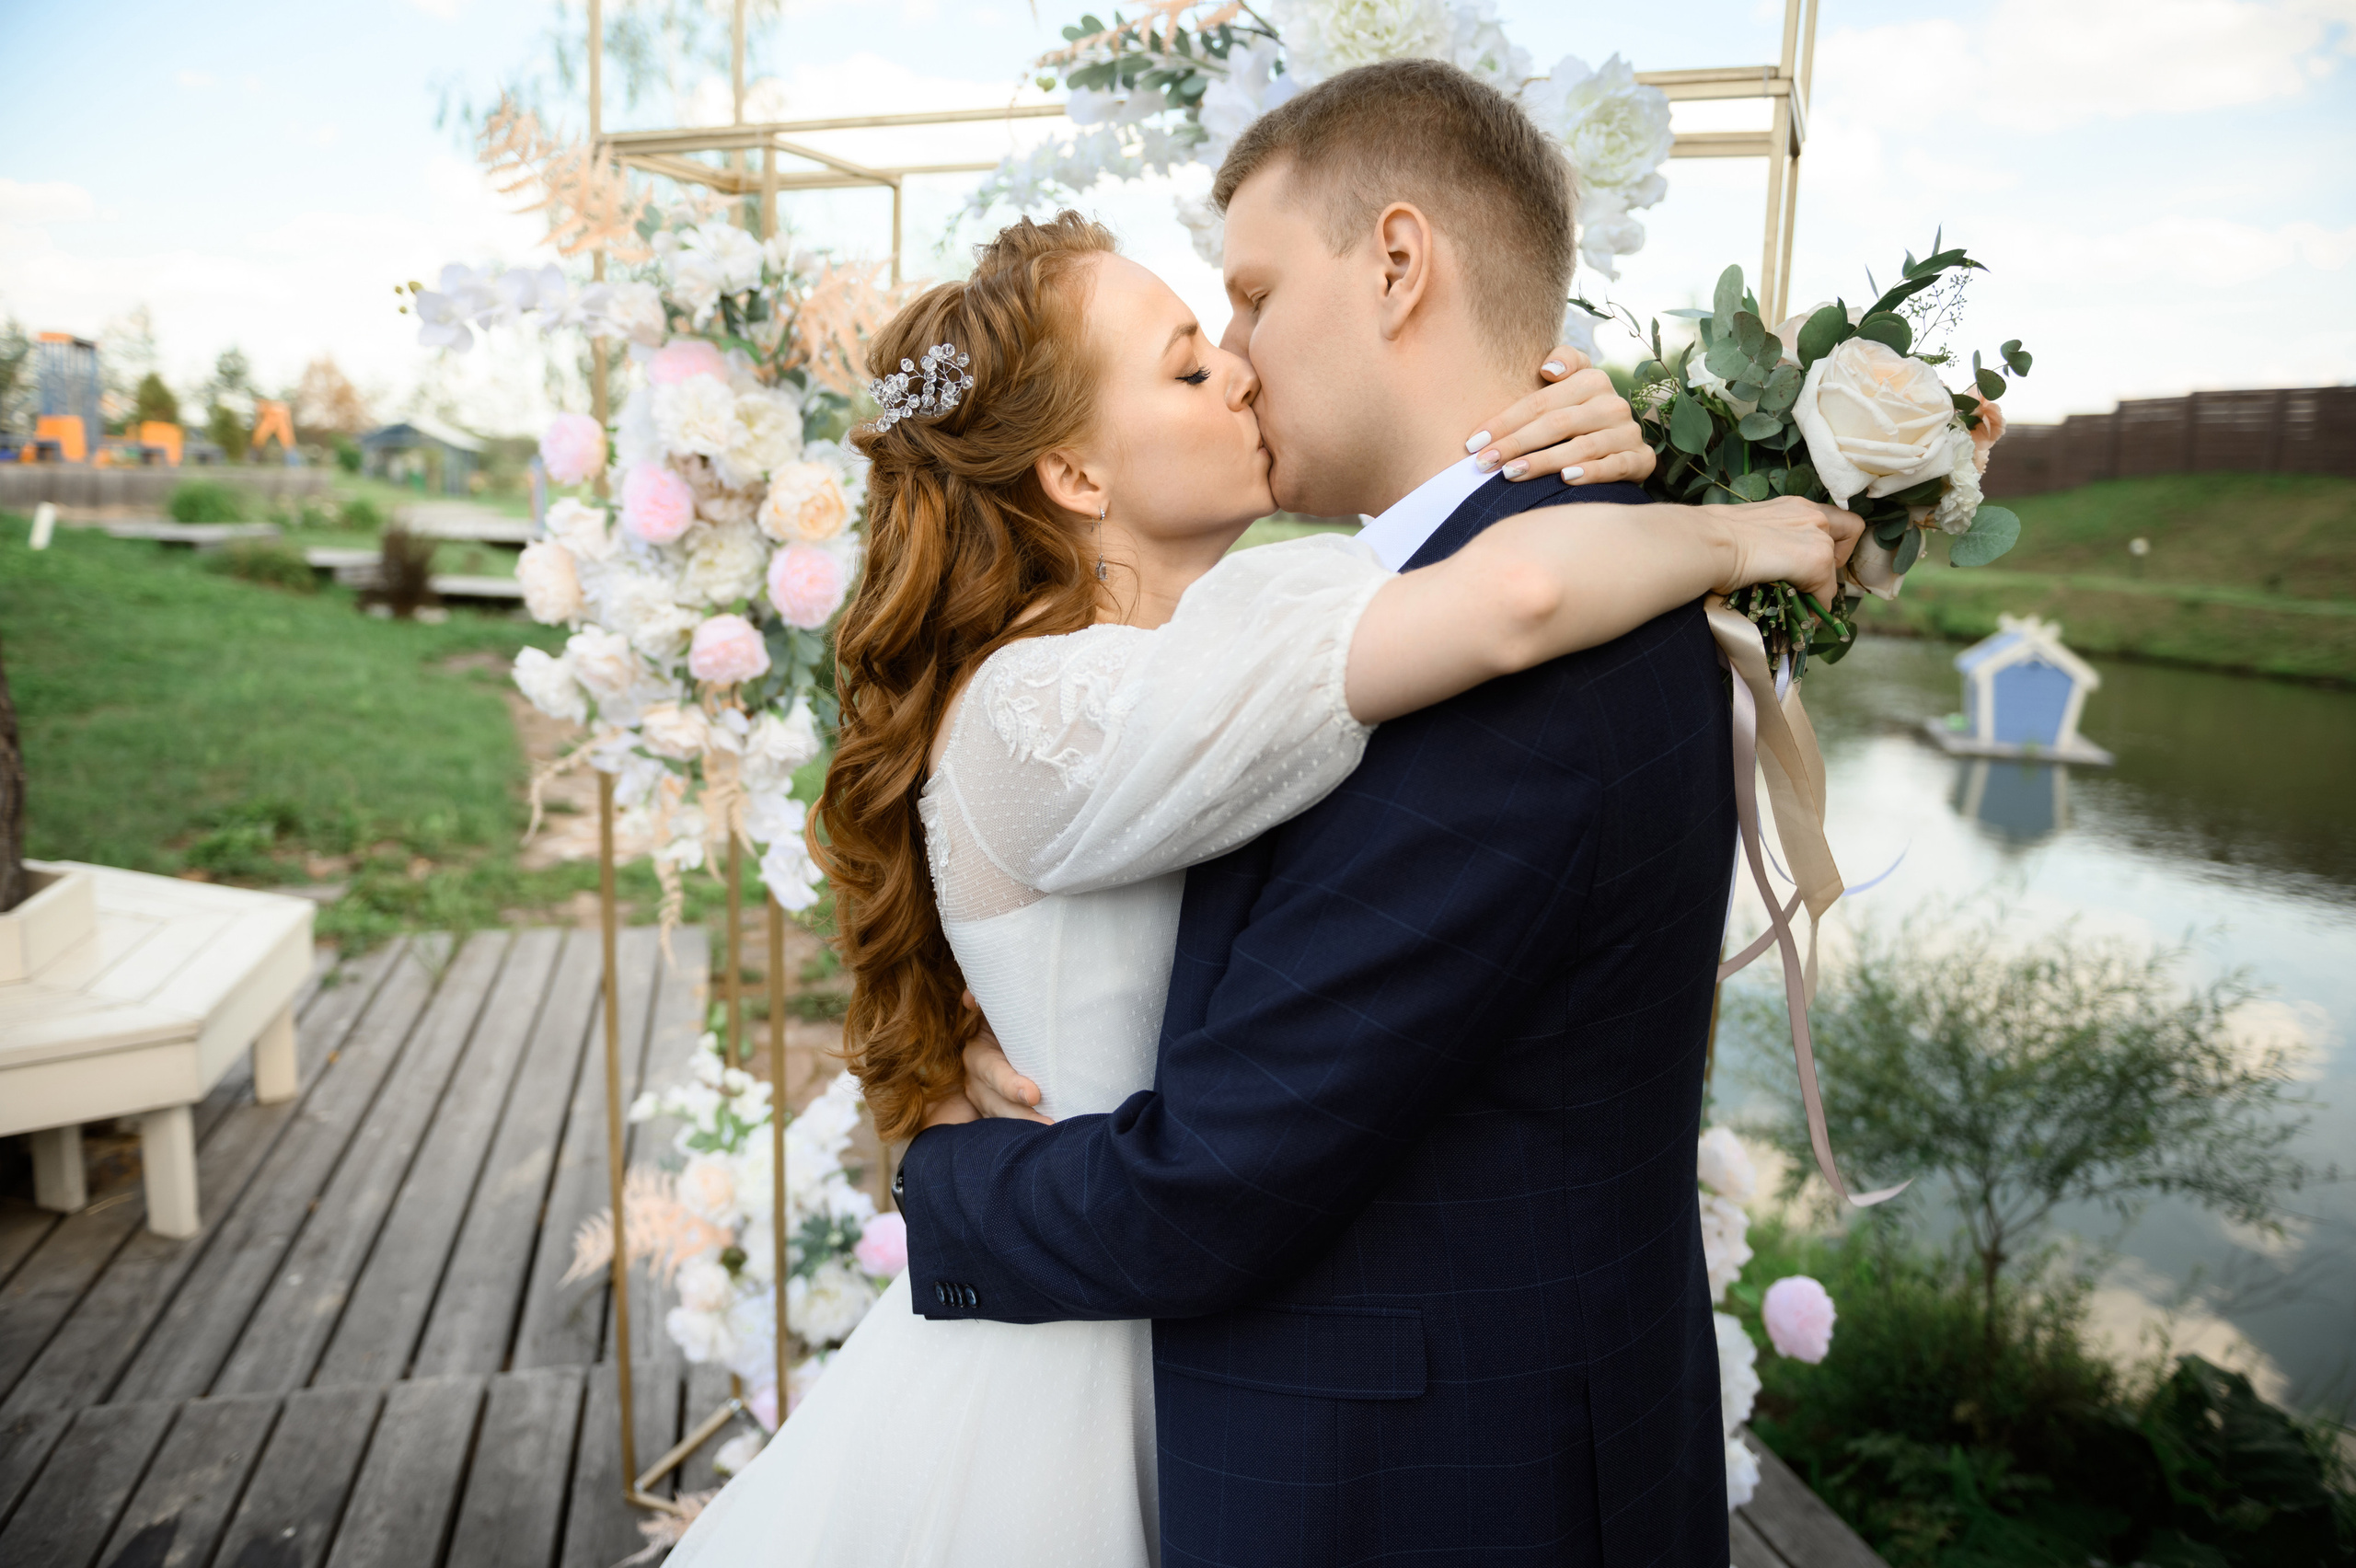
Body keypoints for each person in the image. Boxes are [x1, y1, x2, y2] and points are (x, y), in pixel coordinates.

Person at [665, 63, 1857, 1568]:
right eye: (1188, 353)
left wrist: (944, 1179)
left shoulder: (1482, 638)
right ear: (1075, 469)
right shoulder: (1222, 653)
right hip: (1175, 1413)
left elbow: (1229, 1163)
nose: (1233, 363)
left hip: (1424, 1485)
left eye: (1244, 300)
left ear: (1398, 264)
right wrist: (1713, 523)